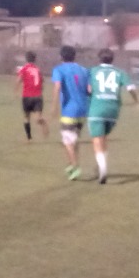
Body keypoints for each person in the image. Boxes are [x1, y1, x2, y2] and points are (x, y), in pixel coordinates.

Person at [86, 48, 139, 184]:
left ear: (99, 59)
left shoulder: (93, 71)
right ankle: (101, 166)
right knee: (103, 137)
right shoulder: (120, 72)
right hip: (113, 110)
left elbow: (88, 89)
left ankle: (103, 168)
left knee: (97, 139)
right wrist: (136, 102)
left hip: (97, 108)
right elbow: (130, 88)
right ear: (112, 59)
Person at [50, 46, 91, 179]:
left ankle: (75, 166)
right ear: (75, 56)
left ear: (61, 56)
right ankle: (71, 165)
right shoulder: (84, 70)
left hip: (69, 110)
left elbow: (57, 86)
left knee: (67, 140)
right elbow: (89, 90)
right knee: (74, 140)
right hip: (83, 111)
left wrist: (54, 105)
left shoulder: (59, 69)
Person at [15, 51, 48, 142]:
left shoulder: (24, 69)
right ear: (35, 59)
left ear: (26, 59)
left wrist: (16, 91)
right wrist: (40, 91)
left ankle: (28, 138)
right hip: (38, 97)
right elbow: (42, 82)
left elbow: (18, 80)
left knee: (26, 117)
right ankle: (42, 122)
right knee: (37, 119)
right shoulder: (38, 69)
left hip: (27, 96)